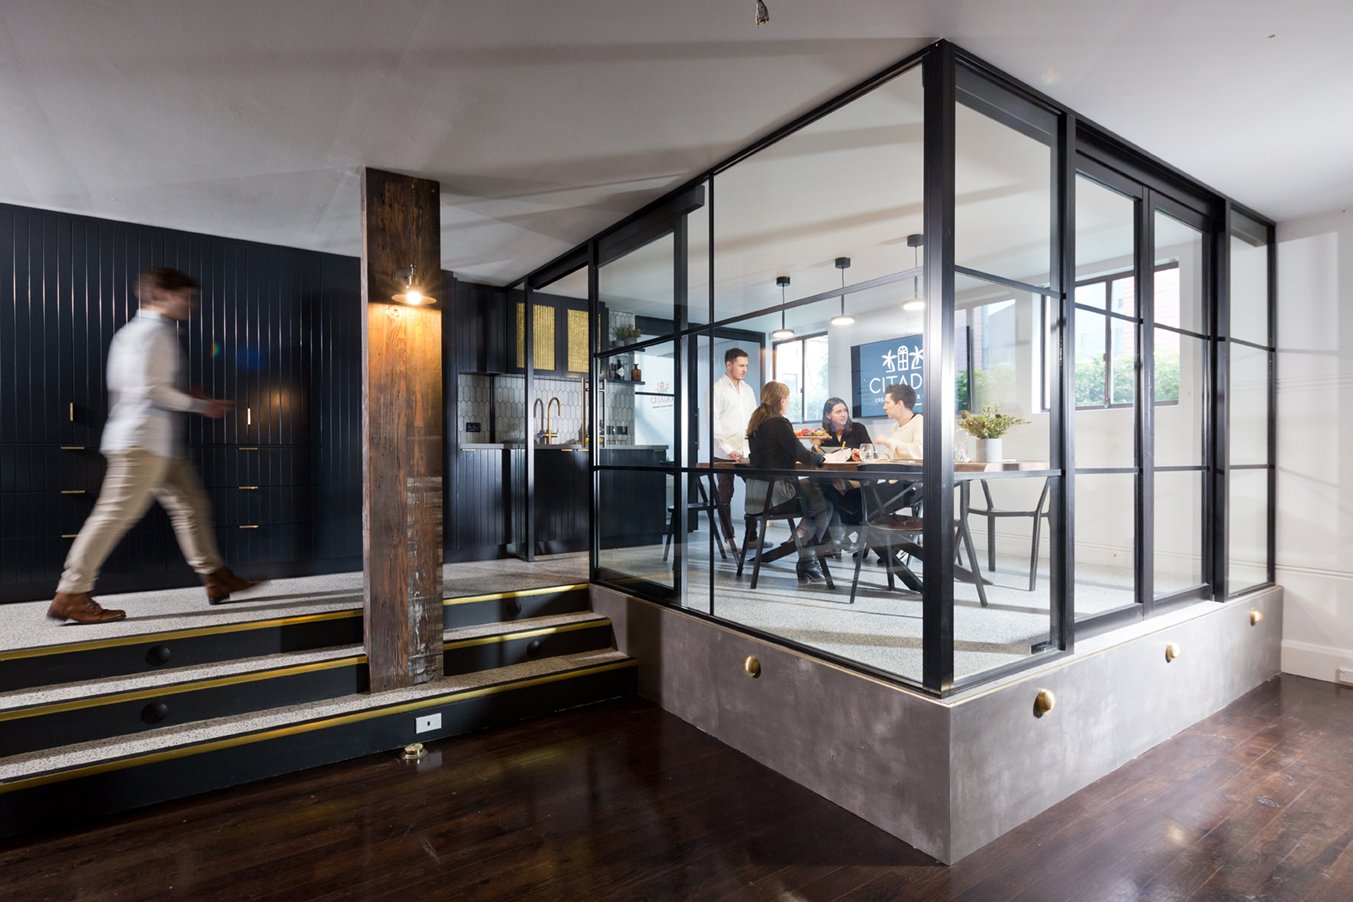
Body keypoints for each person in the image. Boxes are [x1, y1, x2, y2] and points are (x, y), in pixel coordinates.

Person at [47, 267, 262, 624]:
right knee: (115, 514)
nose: (191, 304)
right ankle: (72, 592)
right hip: (141, 443)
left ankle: (215, 576)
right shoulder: (152, 333)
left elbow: (141, 388)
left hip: (156, 443)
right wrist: (201, 405)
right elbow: (150, 391)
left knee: (191, 506)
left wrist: (184, 397)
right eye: (186, 297)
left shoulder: (135, 333)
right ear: (161, 295)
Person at [746, 381, 834, 583]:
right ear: (782, 400)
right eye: (789, 399)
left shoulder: (756, 423)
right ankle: (807, 560)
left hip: (756, 496)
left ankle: (804, 550)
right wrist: (820, 458)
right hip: (778, 495)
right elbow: (802, 455)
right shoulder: (779, 423)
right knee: (826, 504)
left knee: (816, 498)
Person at [712, 346, 761, 554]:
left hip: (746, 452)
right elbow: (714, 424)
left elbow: (754, 420)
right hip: (723, 453)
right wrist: (728, 449)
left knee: (755, 490)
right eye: (741, 365)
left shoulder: (748, 390)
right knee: (725, 496)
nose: (744, 369)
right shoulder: (717, 389)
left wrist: (753, 448)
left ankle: (751, 537)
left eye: (746, 366)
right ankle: (729, 537)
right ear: (729, 364)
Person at [816, 398, 871, 553]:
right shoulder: (824, 435)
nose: (843, 415)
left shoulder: (858, 429)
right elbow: (819, 460)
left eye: (845, 410)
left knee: (824, 487)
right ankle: (837, 537)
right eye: (838, 412)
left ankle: (835, 536)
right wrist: (815, 446)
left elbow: (870, 453)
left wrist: (858, 454)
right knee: (820, 483)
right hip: (834, 480)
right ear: (828, 415)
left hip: (857, 480)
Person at [876, 382, 923, 460]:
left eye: (887, 403)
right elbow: (889, 455)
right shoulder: (895, 426)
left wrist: (888, 441)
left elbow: (919, 452)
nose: (884, 407)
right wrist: (867, 461)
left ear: (900, 404)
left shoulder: (919, 422)